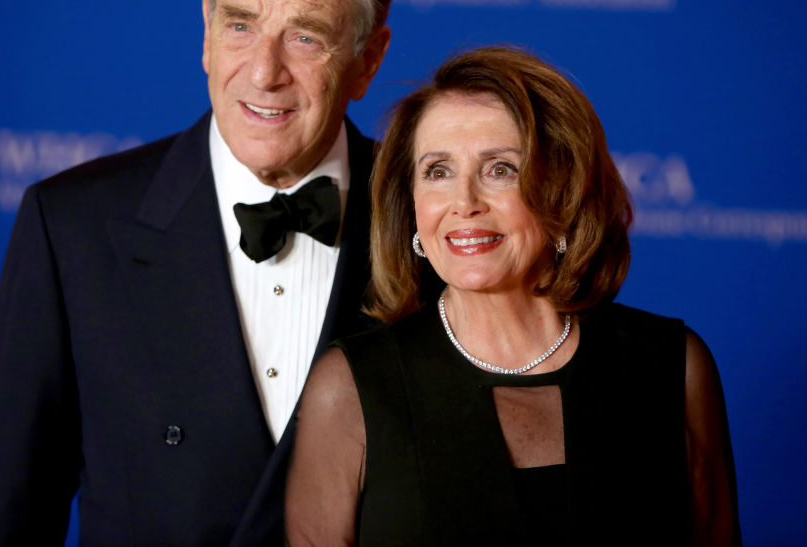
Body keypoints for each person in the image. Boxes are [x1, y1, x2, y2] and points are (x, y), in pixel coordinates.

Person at [0, 0, 394, 545]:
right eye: (240, 25)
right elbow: (14, 517)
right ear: (205, 32)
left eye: (306, 37)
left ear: (367, 61)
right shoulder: (71, 228)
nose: (264, 71)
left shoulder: (427, 224)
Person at [286, 46, 739, 545]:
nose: (464, 203)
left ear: (564, 190)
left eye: (500, 169)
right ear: (410, 202)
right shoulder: (351, 386)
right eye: (438, 171)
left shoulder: (671, 366)